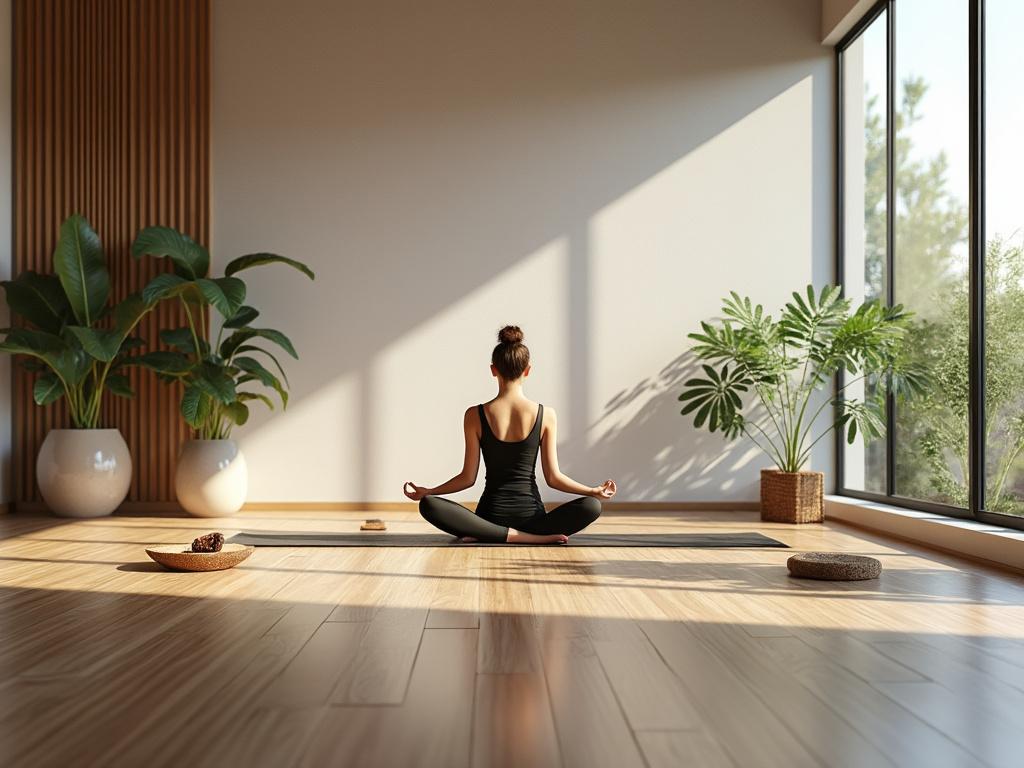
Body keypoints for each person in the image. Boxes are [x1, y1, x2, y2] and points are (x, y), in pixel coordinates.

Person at [404, 325, 616, 544]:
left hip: (489, 519)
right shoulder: (546, 415)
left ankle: (490, 534)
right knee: (592, 505)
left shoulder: (474, 415)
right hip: (534, 520)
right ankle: (529, 537)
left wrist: (429, 491)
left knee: (428, 504)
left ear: (493, 369)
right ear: (527, 370)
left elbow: (467, 478)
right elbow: (553, 478)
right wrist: (593, 491)